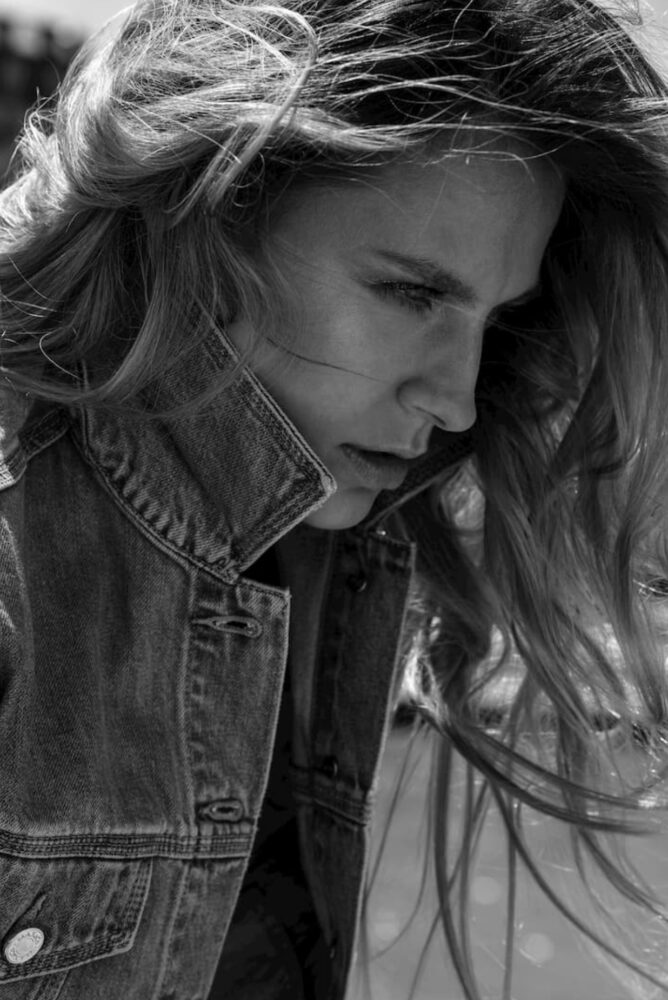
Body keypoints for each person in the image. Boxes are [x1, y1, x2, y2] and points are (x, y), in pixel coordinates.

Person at [0, 0, 667, 997]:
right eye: (412, 294)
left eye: (498, 319)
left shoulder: (333, 542)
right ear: (210, 205)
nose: (454, 399)